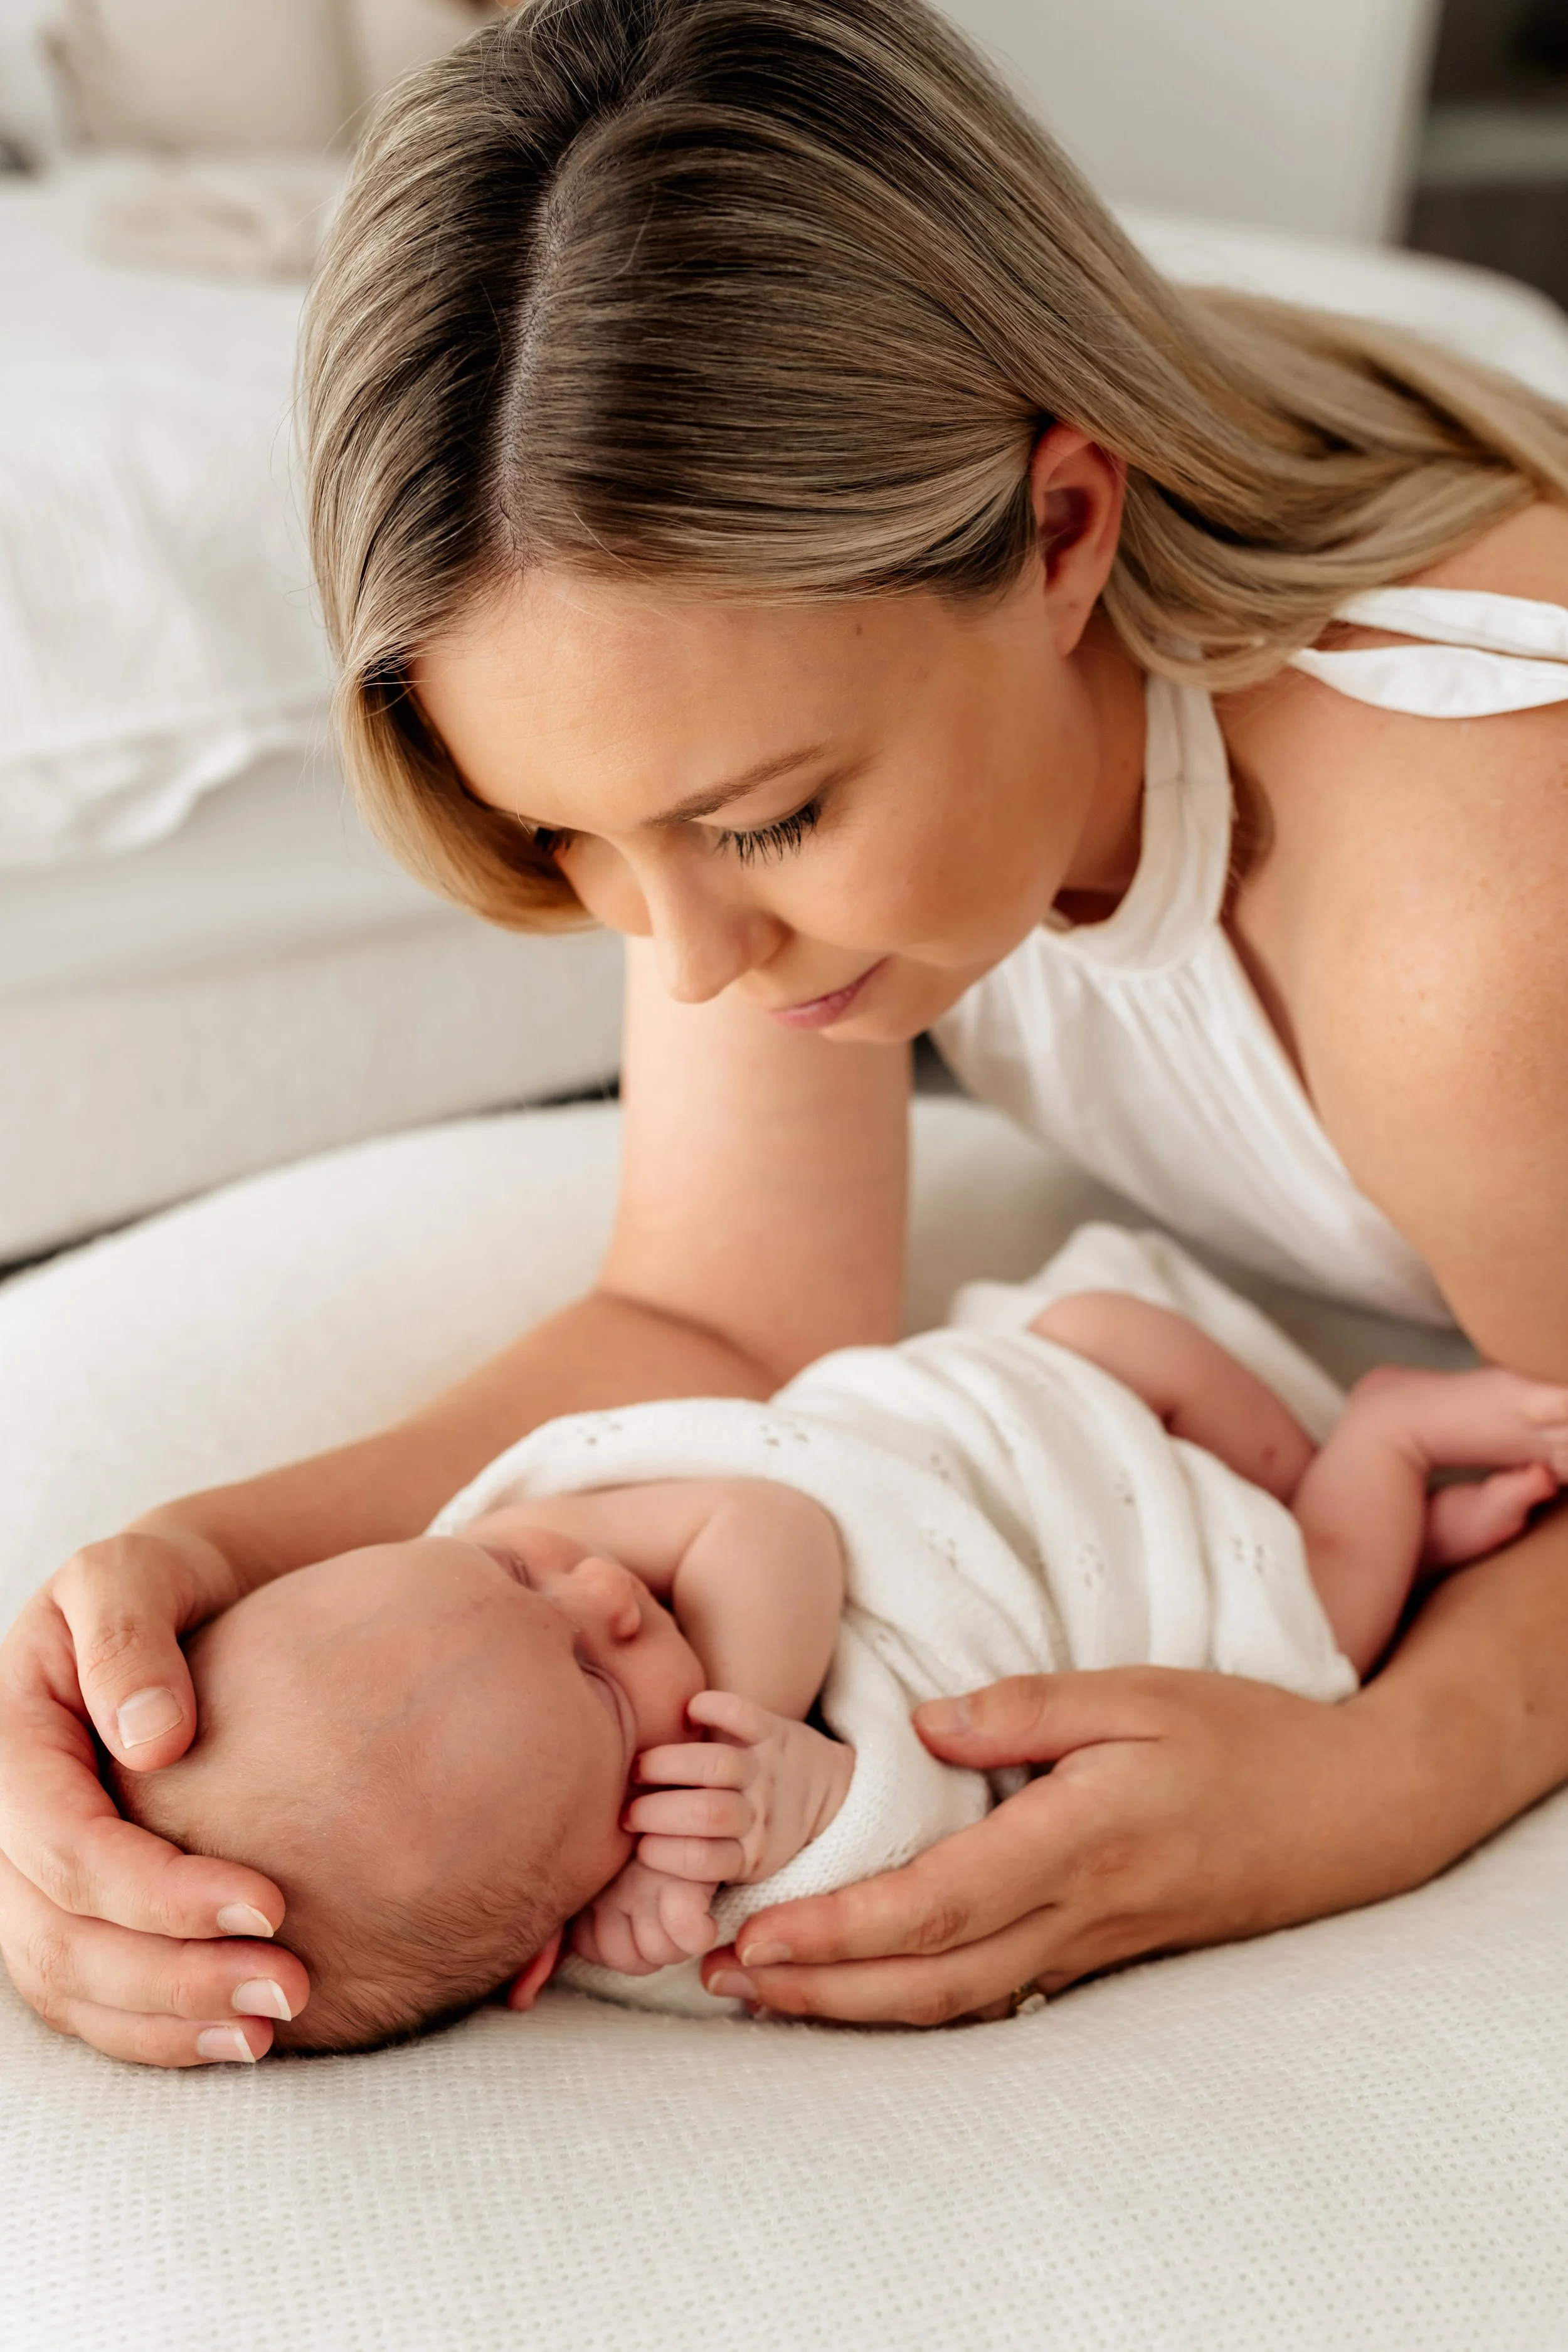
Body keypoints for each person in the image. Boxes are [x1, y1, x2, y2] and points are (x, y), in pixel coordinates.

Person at [3, 0, 1567, 2066]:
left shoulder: (1475, 923)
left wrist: (1369, 1781)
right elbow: (724, 1316)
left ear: (1063, 531)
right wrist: (179, 1595)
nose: (692, 959)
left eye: (763, 820)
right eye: (572, 838)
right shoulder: (782, 699)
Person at [108, 1236, 1568, 2052]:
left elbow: (770, 1518)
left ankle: (1318, 1475)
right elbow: (931, 1847)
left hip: (1001, 1424)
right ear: (551, 1941)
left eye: (512, 1573)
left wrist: (735, 1714)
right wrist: (805, 1809)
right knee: (1317, 1621)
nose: (602, 1592)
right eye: (602, 1685)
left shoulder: (527, 1533)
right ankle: (1383, 1451)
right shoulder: (678, 1913)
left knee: (1108, 1326)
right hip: (1113, 1565)